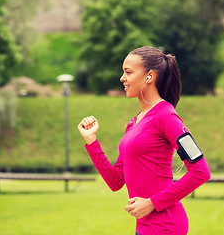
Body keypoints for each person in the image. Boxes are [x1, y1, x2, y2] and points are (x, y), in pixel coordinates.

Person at [77, 46, 211, 235]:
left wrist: (152, 203)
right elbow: (116, 181)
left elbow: (201, 172)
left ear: (149, 76)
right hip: (145, 227)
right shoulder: (134, 123)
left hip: (166, 225)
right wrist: (92, 142)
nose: (122, 78)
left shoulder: (167, 116)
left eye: (128, 72)